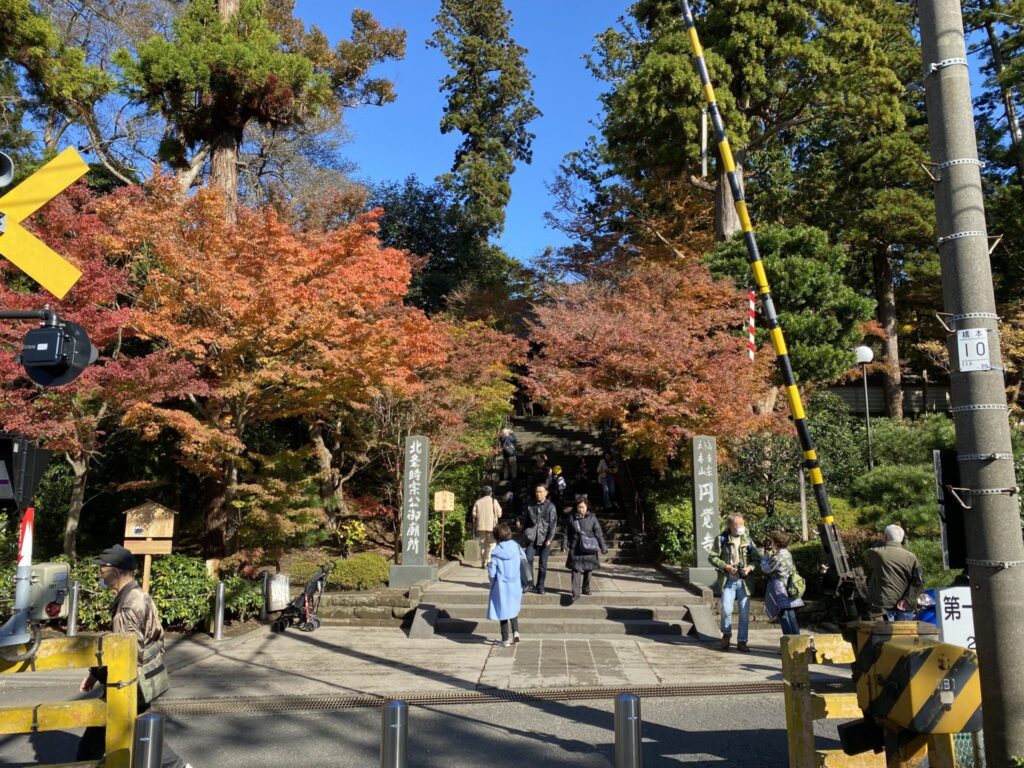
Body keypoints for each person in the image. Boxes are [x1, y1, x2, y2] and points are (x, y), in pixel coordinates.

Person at [77, 545, 191, 767]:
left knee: (100, 740)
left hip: (128, 683)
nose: (99, 572)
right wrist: (95, 674)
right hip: (140, 679)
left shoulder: (127, 607)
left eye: (102, 568)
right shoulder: (138, 595)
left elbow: (125, 654)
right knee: (138, 732)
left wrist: (101, 675)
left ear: (116, 571)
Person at [708, 514, 761, 652]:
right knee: (726, 609)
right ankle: (726, 633)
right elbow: (712, 557)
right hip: (728, 581)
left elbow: (756, 559)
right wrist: (725, 566)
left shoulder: (747, 539)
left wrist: (749, 568)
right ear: (730, 526)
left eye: (742, 523)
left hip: (744, 582)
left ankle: (742, 641)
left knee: (744, 613)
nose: (741, 527)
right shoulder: (721, 539)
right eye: (738, 525)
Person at [865, 524, 925, 621]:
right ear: (901, 539)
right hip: (905, 605)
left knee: (883, 634)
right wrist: (907, 599)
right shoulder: (911, 557)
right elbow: (919, 581)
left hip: (883, 605)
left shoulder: (877, 553)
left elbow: (866, 556)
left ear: (885, 537)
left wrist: (883, 542)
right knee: (905, 634)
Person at [563, 498, 607, 603]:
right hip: (575, 547)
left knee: (588, 568)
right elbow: (566, 533)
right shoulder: (572, 518)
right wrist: (564, 545)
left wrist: (603, 547)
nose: (581, 509)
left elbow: (598, 533)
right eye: (579, 507)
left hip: (589, 546)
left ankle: (586, 588)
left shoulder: (593, 518)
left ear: (587, 507)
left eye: (583, 507)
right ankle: (575, 593)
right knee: (575, 570)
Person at [487, 523, 524, 647]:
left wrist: (491, 580)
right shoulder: (516, 546)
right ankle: (516, 632)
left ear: (497, 537)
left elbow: (492, 573)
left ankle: (505, 640)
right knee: (513, 609)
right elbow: (523, 560)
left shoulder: (496, 552)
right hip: (515, 583)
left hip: (502, 585)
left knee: (502, 611)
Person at [761, 530, 804, 635]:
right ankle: (797, 641)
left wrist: (765, 557)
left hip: (781, 588)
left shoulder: (778, 557)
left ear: (776, 543)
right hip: (790, 586)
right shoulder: (787, 553)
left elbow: (765, 569)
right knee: (791, 615)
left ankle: (788, 643)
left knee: (784, 616)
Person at [521, 483, 558, 594]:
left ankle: (540, 585)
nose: (538, 494)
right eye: (537, 491)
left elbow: (553, 524)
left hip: (545, 538)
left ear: (546, 493)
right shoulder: (530, 505)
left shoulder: (551, 506)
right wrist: (525, 535)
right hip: (532, 538)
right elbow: (525, 522)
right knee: (528, 560)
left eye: (541, 491)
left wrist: (550, 539)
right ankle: (529, 583)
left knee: (543, 564)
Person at [472, 486, 503, 568]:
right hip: (491, 526)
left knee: (483, 544)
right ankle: (489, 560)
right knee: (492, 544)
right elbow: (499, 514)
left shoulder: (478, 502)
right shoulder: (494, 501)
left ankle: (483, 562)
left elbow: (474, 514)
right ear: (490, 492)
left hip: (481, 526)